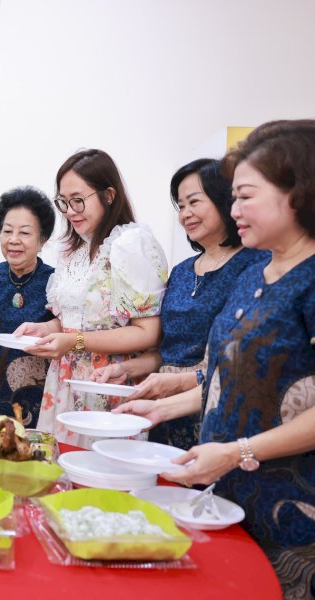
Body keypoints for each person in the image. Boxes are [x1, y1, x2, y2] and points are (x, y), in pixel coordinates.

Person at [115, 120, 315, 598]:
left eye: (245, 196)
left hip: (292, 506)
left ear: (298, 194)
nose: (234, 209)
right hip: (223, 493)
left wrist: (236, 452)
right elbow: (231, 382)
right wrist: (160, 408)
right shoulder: (257, 274)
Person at [92, 159, 268, 449]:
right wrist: (127, 369)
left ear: (225, 200)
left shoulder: (256, 265)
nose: (185, 214)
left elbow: (246, 363)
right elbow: (168, 352)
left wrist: (177, 382)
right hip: (163, 410)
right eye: (181, 206)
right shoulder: (183, 271)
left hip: (216, 411)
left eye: (194, 202)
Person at [15, 149, 167, 447]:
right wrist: (45, 329)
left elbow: (147, 333)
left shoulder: (130, 244)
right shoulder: (74, 250)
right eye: (63, 202)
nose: (71, 211)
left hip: (107, 381)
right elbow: (73, 320)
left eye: (78, 200)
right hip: (65, 381)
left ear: (109, 195)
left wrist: (74, 341)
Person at [0, 187, 55, 425]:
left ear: (42, 240)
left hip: (37, 397)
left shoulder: (54, 281)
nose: (13, 240)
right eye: (7, 231)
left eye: (25, 233)